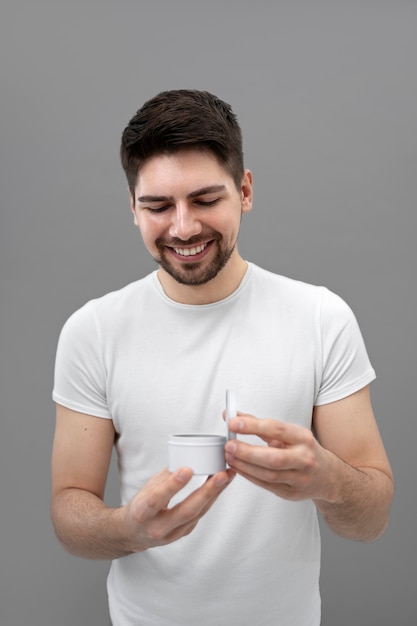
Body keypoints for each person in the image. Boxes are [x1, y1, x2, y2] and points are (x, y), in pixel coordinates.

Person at [51, 89, 394, 626]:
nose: (183, 228)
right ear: (132, 207)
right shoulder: (93, 332)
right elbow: (69, 510)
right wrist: (128, 530)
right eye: (158, 206)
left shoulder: (321, 318)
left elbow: (371, 519)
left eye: (206, 200)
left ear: (246, 190)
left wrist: (329, 479)